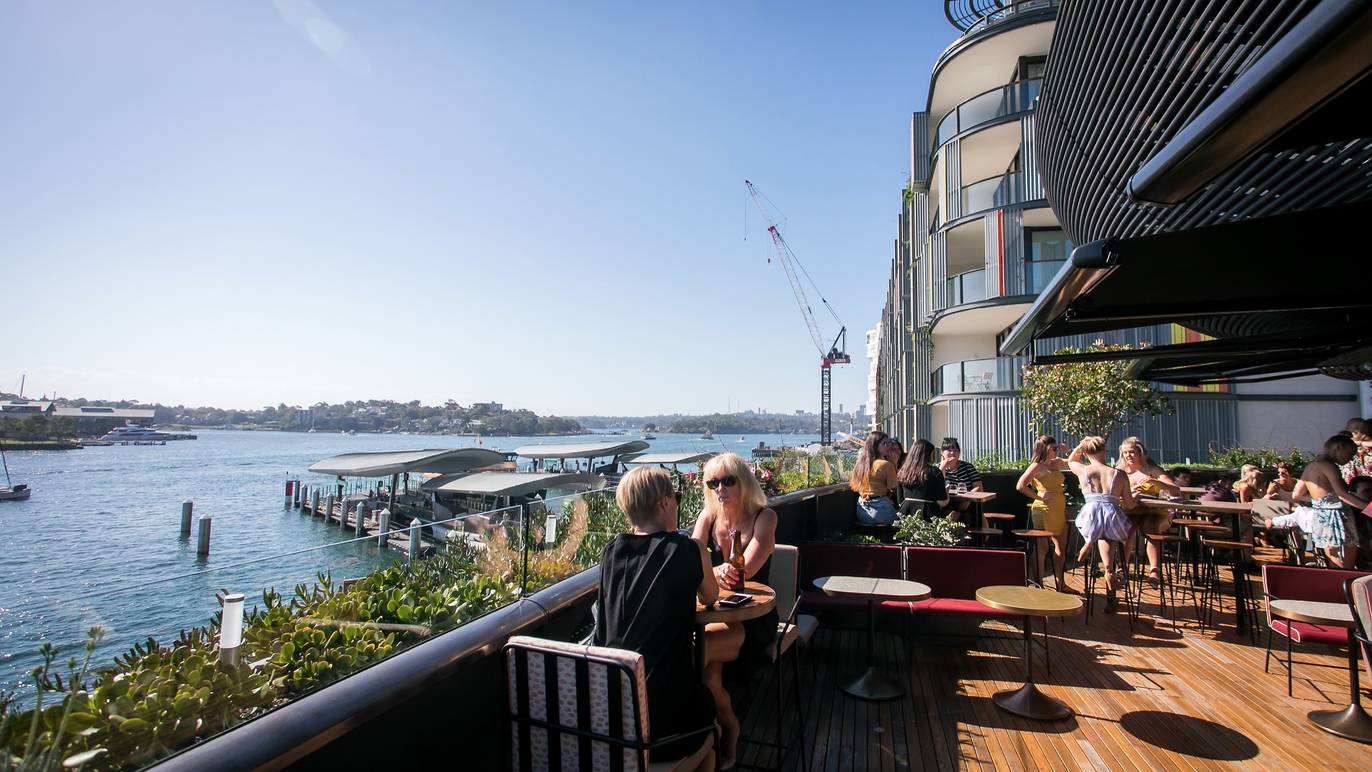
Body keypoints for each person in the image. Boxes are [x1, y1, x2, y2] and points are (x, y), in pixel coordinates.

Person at [594, 467, 718, 768]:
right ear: (664, 503)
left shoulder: (611, 552)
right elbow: (710, 597)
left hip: (610, 721)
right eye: (675, 497)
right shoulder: (689, 550)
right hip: (662, 725)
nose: (676, 503)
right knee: (710, 736)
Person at [690, 453, 777, 765]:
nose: (720, 489)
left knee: (698, 652)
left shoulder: (764, 518)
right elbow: (690, 561)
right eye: (713, 483)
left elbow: (744, 571)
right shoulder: (708, 517)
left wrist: (708, 570)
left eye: (728, 481)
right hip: (713, 615)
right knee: (709, 677)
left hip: (752, 618)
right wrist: (714, 570)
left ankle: (706, 732)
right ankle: (724, 728)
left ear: (745, 482)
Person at [1068, 436, 1136, 612]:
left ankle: (1089, 541)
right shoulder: (1118, 474)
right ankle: (1109, 570)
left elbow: (1071, 460)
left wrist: (1081, 444)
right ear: (1104, 451)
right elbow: (1129, 504)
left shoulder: (1083, 471)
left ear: (1086, 452)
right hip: (1111, 512)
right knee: (1113, 536)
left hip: (1090, 514)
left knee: (1099, 530)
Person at [1290, 435, 1368, 569]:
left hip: (1321, 518)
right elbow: (1342, 494)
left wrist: (1321, 502)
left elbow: (1296, 495)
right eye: (1350, 454)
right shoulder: (1329, 466)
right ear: (1338, 447)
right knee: (1347, 563)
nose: (1350, 459)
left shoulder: (1310, 467)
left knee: (1334, 561)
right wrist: (1369, 509)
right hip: (1338, 519)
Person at [1116, 437, 1181, 584]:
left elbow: (1175, 490)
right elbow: (1112, 492)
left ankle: (1155, 570)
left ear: (1140, 452)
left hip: (1154, 510)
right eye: (1125, 453)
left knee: (1151, 526)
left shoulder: (1152, 469)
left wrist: (1155, 481)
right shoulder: (1120, 470)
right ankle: (1122, 568)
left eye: (1131, 452)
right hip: (1131, 509)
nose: (1128, 456)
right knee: (1126, 528)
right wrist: (1131, 491)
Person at [1016, 435, 1071, 590]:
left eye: (1056, 448)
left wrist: (1068, 452)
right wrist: (1039, 496)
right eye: (1054, 448)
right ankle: (1039, 584)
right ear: (1044, 449)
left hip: (1059, 508)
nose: (1056, 450)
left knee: (1061, 547)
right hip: (1043, 509)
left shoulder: (1057, 462)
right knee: (1042, 548)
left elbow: (1076, 464)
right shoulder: (1036, 466)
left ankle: (1061, 583)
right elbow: (1020, 485)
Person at [851, 431, 898, 526]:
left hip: (862, 511)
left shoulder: (860, 464)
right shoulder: (886, 464)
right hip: (881, 510)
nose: (888, 446)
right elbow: (894, 486)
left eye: (889, 443)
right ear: (875, 445)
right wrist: (894, 463)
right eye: (884, 443)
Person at [896, 439, 949, 520]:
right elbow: (942, 502)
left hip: (906, 516)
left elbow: (900, 501)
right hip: (928, 516)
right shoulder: (935, 472)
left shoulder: (903, 472)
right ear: (928, 455)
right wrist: (947, 492)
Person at [938, 437, 983, 525]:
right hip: (946, 504)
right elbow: (937, 488)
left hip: (967, 503)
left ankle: (977, 538)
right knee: (953, 515)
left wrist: (967, 498)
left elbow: (979, 487)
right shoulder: (938, 468)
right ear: (942, 453)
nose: (952, 453)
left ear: (959, 453)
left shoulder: (968, 467)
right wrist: (942, 468)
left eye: (955, 450)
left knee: (979, 518)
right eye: (949, 450)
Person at [1340, 418, 1372, 482]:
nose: (1347, 432)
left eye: (1354, 431)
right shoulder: (1344, 447)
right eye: (1347, 429)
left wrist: (1360, 443)